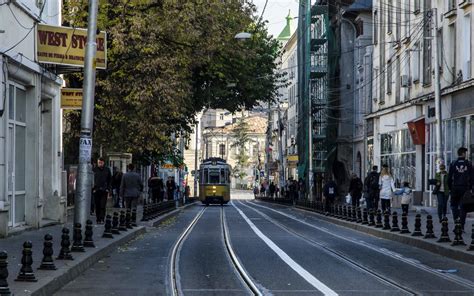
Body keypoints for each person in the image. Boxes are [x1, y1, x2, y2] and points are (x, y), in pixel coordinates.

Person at [448, 147, 474, 229]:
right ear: (463, 154)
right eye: (465, 153)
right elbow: (472, 177)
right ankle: (461, 225)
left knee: (453, 206)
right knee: (464, 207)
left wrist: (450, 188)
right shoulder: (469, 164)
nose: (466, 155)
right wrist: (471, 188)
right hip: (465, 188)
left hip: (455, 188)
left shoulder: (453, 163)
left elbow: (449, 178)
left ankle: (456, 222)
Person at [93, 157, 112, 224]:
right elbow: (92, 180)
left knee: (102, 205)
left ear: (103, 163)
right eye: (99, 163)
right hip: (96, 190)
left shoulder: (107, 170)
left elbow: (110, 180)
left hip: (104, 190)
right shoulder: (94, 170)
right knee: (97, 205)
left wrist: (108, 189)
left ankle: (102, 218)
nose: (100, 164)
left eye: (101, 163)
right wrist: (93, 189)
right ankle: (98, 218)